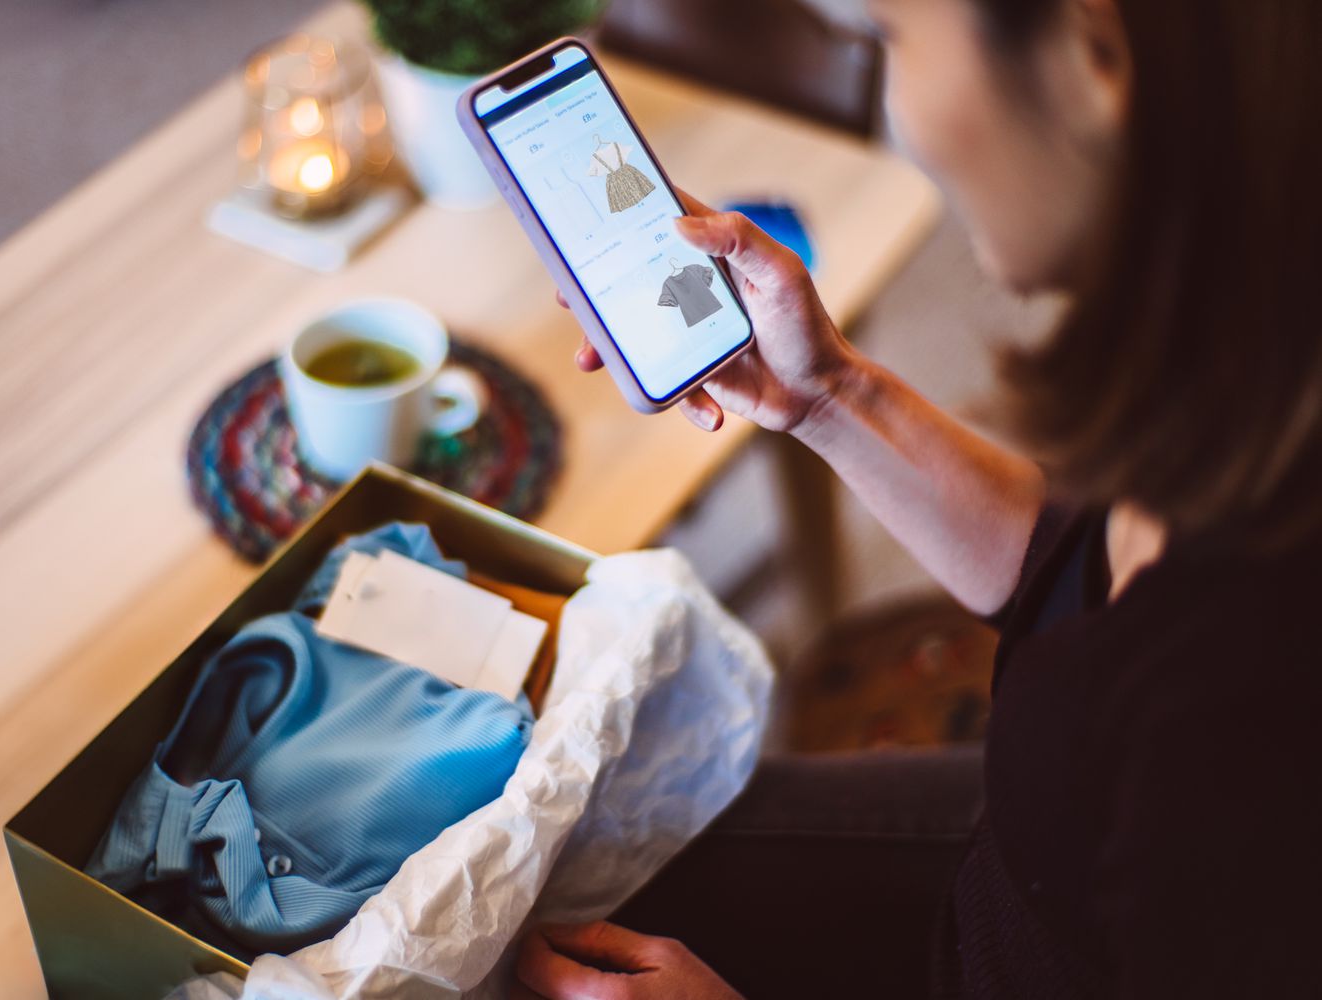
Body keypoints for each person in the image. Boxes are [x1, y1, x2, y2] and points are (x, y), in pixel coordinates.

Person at [514, 0, 1322, 996]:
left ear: (1094, 52)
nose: (905, 109)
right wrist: (827, 393)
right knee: (582, 862)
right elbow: (1075, 578)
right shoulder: (1245, 381)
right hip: (1023, 873)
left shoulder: (1241, 723)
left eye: (893, 37)